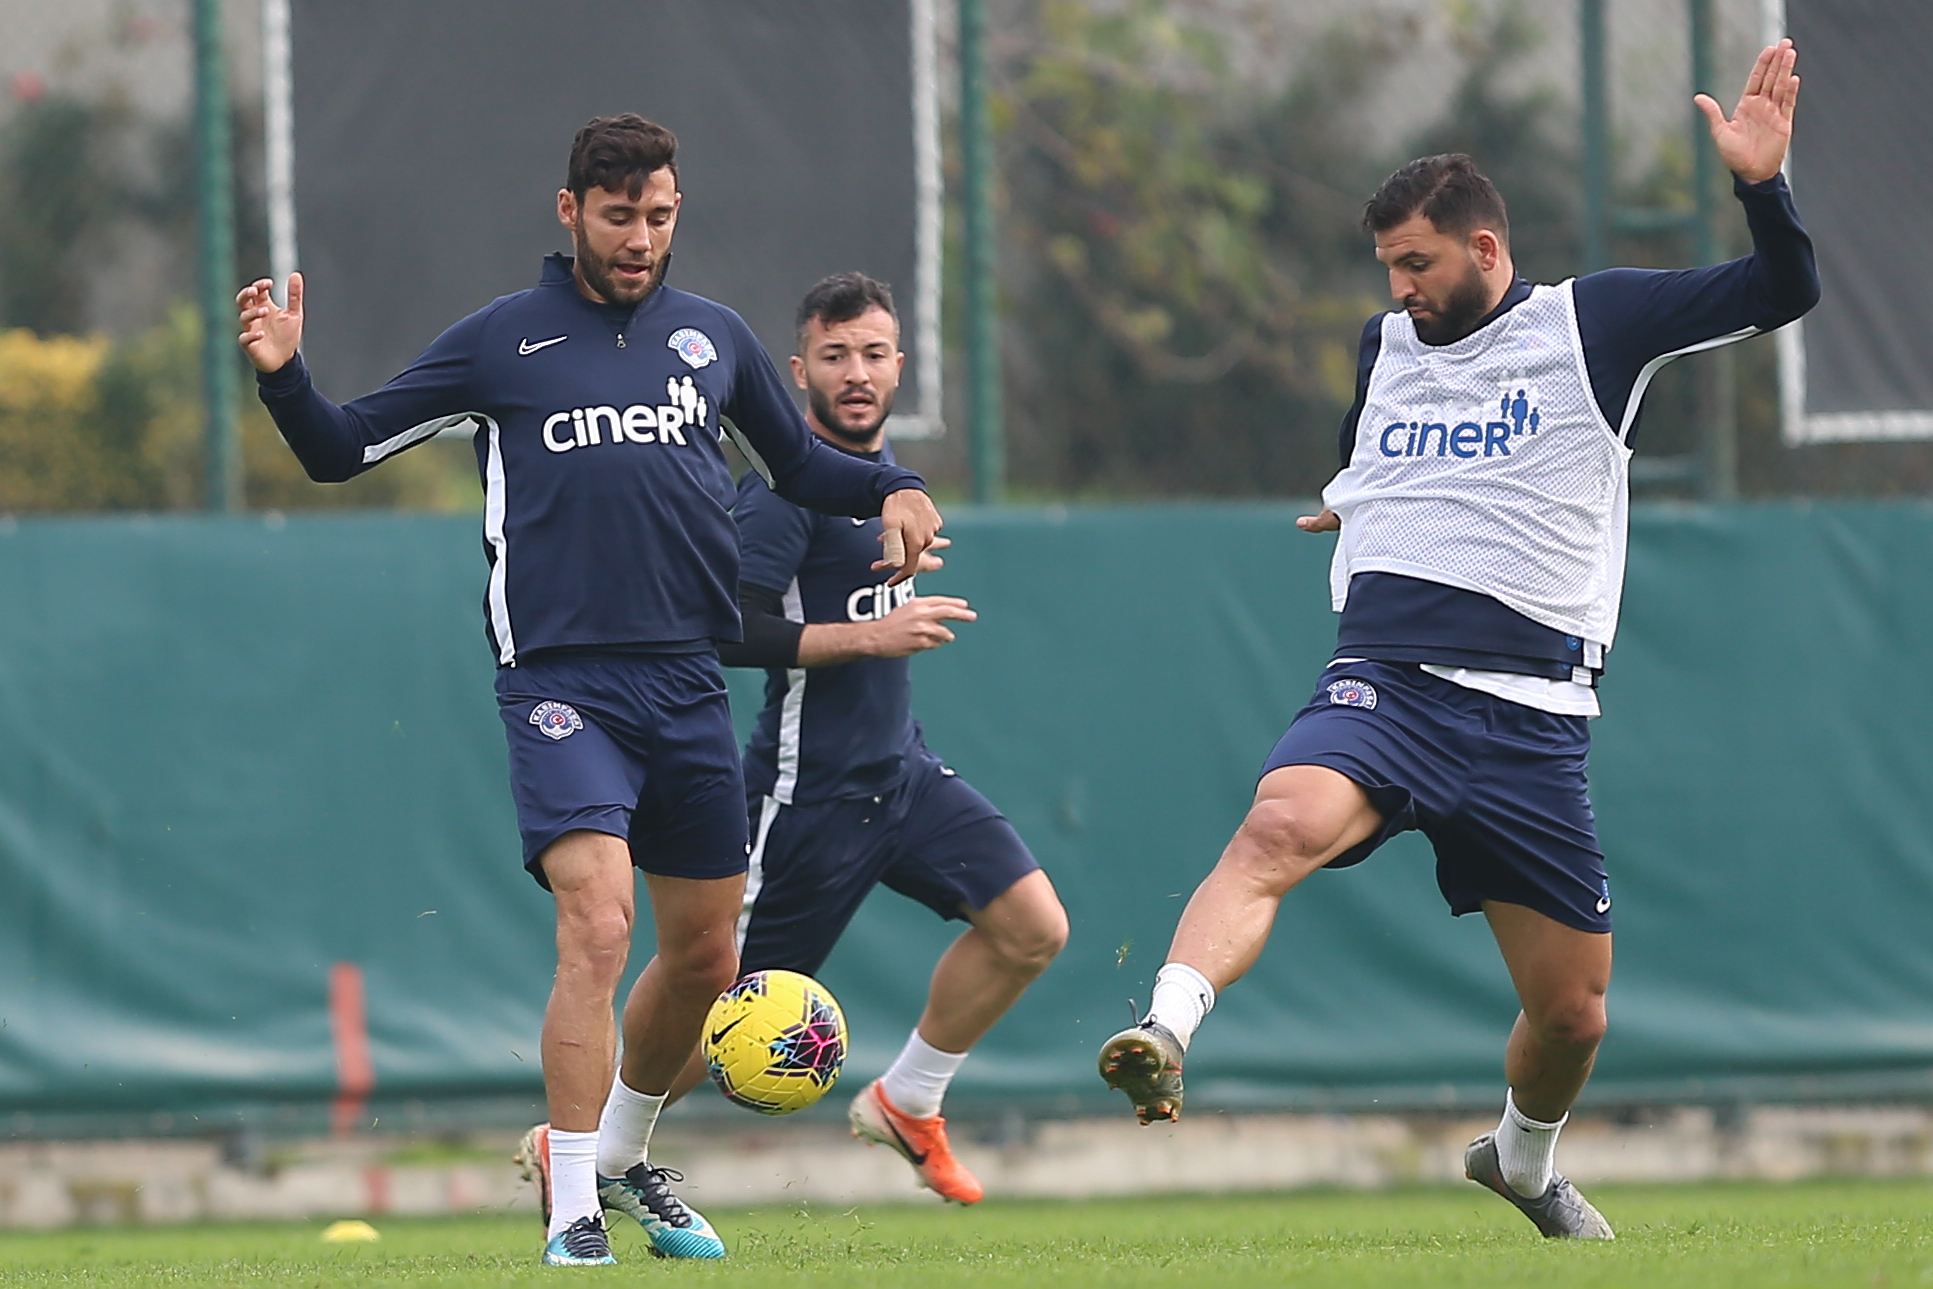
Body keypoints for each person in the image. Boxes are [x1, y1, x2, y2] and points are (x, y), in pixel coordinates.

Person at [1097, 42, 1816, 1240]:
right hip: (1386, 679)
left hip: (1533, 718)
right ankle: (1163, 1030)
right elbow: (1367, 449)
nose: (1398, 289)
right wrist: (1355, 499)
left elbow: (1781, 289)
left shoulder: (1594, 323)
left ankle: (1521, 1160)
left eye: (1417, 263)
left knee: (1572, 1015)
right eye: (1387, 267)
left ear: (1485, 248)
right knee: (1276, 824)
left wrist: (1760, 184)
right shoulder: (1383, 347)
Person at [235, 116, 942, 1266]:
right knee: (599, 920)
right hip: (562, 683)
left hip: (688, 683)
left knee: (707, 957)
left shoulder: (712, 339)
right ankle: (571, 1203)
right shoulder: (501, 342)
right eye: (619, 217)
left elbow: (804, 463)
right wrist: (285, 376)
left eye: (658, 216)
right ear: (570, 212)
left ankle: (620, 1154)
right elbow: (339, 448)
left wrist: (892, 485)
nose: (640, 238)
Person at [664, 271, 1067, 1203]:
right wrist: (869, 635)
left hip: (903, 774)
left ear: (900, 366)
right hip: (806, 796)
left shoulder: (893, 490)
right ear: (798, 370)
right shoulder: (782, 494)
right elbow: (727, 628)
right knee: (717, 1009)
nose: (856, 372)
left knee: (1031, 927)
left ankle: (908, 1099)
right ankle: (576, 1139)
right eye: (835, 355)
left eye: (874, 354)